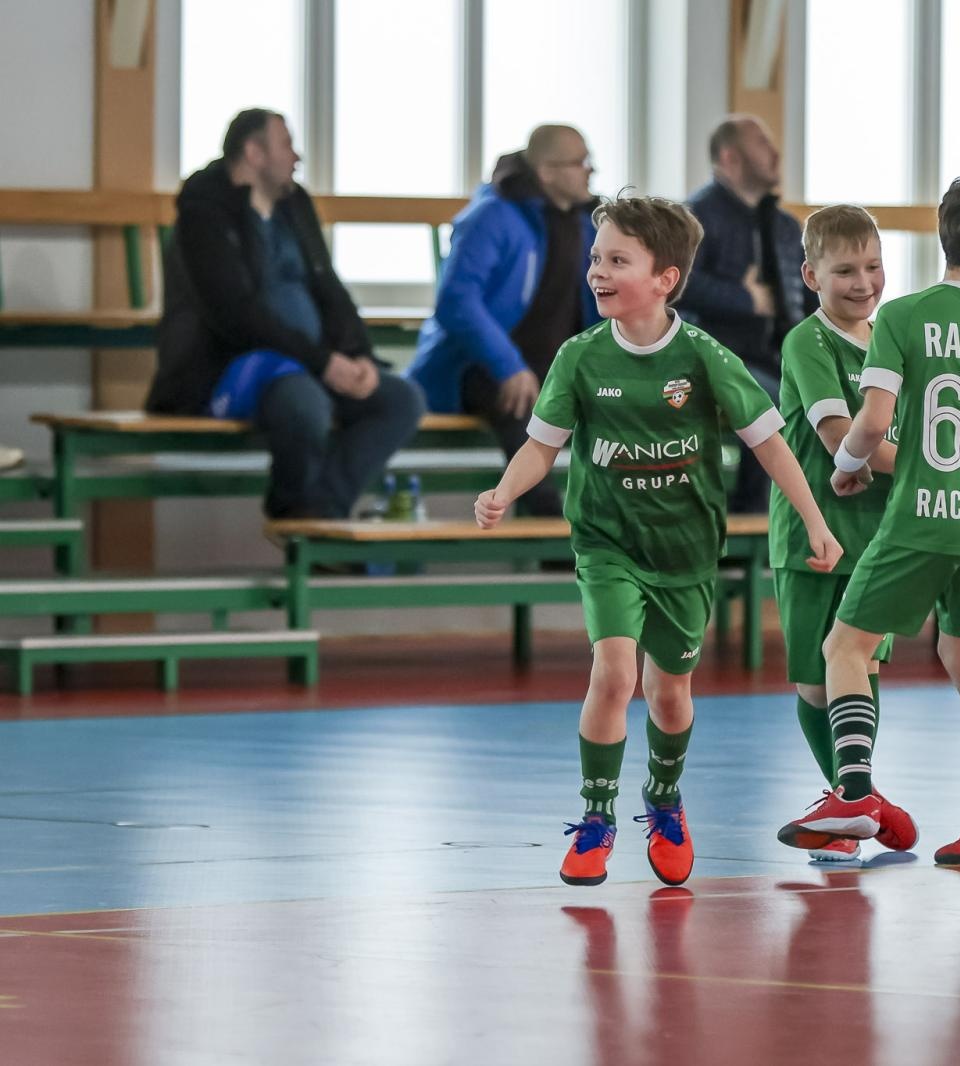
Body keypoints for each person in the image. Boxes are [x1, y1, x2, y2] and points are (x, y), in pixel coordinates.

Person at [474, 194, 842, 888]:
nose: (598, 272)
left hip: (685, 551)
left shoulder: (703, 357)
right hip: (608, 544)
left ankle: (665, 800)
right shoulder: (580, 358)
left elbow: (771, 445)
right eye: (596, 258)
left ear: (665, 279)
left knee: (669, 694)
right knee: (614, 675)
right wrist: (504, 490)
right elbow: (541, 446)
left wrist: (816, 522)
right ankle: (596, 819)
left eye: (618, 260)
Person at [776, 176, 960, 866]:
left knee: (845, 650)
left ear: (940, 237)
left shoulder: (904, 317)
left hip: (922, 514)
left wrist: (846, 465)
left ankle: (854, 794)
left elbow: (869, 424)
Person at [146, 108, 423, 518]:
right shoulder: (204, 213)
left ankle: (318, 512)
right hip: (235, 365)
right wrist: (324, 363)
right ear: (254, 153)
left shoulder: (295, 205)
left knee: (401, 400)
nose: (297, 156)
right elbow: (235, 314)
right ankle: (298, 511)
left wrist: (358, 354)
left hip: (311, 360)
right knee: (304, 406)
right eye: (286, 145)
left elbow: (327, 286)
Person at [768, 204, 916, 864]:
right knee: (814, 680)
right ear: (811, 276)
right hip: (814, 535)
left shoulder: (892, 342)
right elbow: (839, 439)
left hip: (879, 535)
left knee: (862, 663)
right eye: (846, 270)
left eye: (874, 267)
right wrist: (931, 467)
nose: (864, 283)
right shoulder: (808, 343)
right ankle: (855, 799)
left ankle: (851, 802)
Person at [407, 124, 602, 515]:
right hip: (476, 366)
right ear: (547, 171)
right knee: (525, 403)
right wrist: (508, 365)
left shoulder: (585, 224)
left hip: (549, 364)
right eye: (580, 162)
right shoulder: (492, 217)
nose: (590, 171)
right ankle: (548, 524)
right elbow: (456, 301)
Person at [678, 115, 818, 513]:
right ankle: (752, 517)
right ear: (730, 157)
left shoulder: (784, 225)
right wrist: (744, 298)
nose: (775, 153)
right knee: (773, 405)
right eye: (762, 143)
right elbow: (674, 284)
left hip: (775, 356)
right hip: (714, 357)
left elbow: (810, 298)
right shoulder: (695, 218)